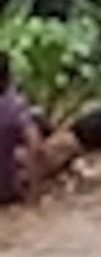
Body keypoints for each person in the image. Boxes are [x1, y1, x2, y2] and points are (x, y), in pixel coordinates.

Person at [0, 52, 82, 206]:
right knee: (67, 143)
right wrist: (34, 197)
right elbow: (36, 148)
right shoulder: (14, 106)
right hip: (7, 192)